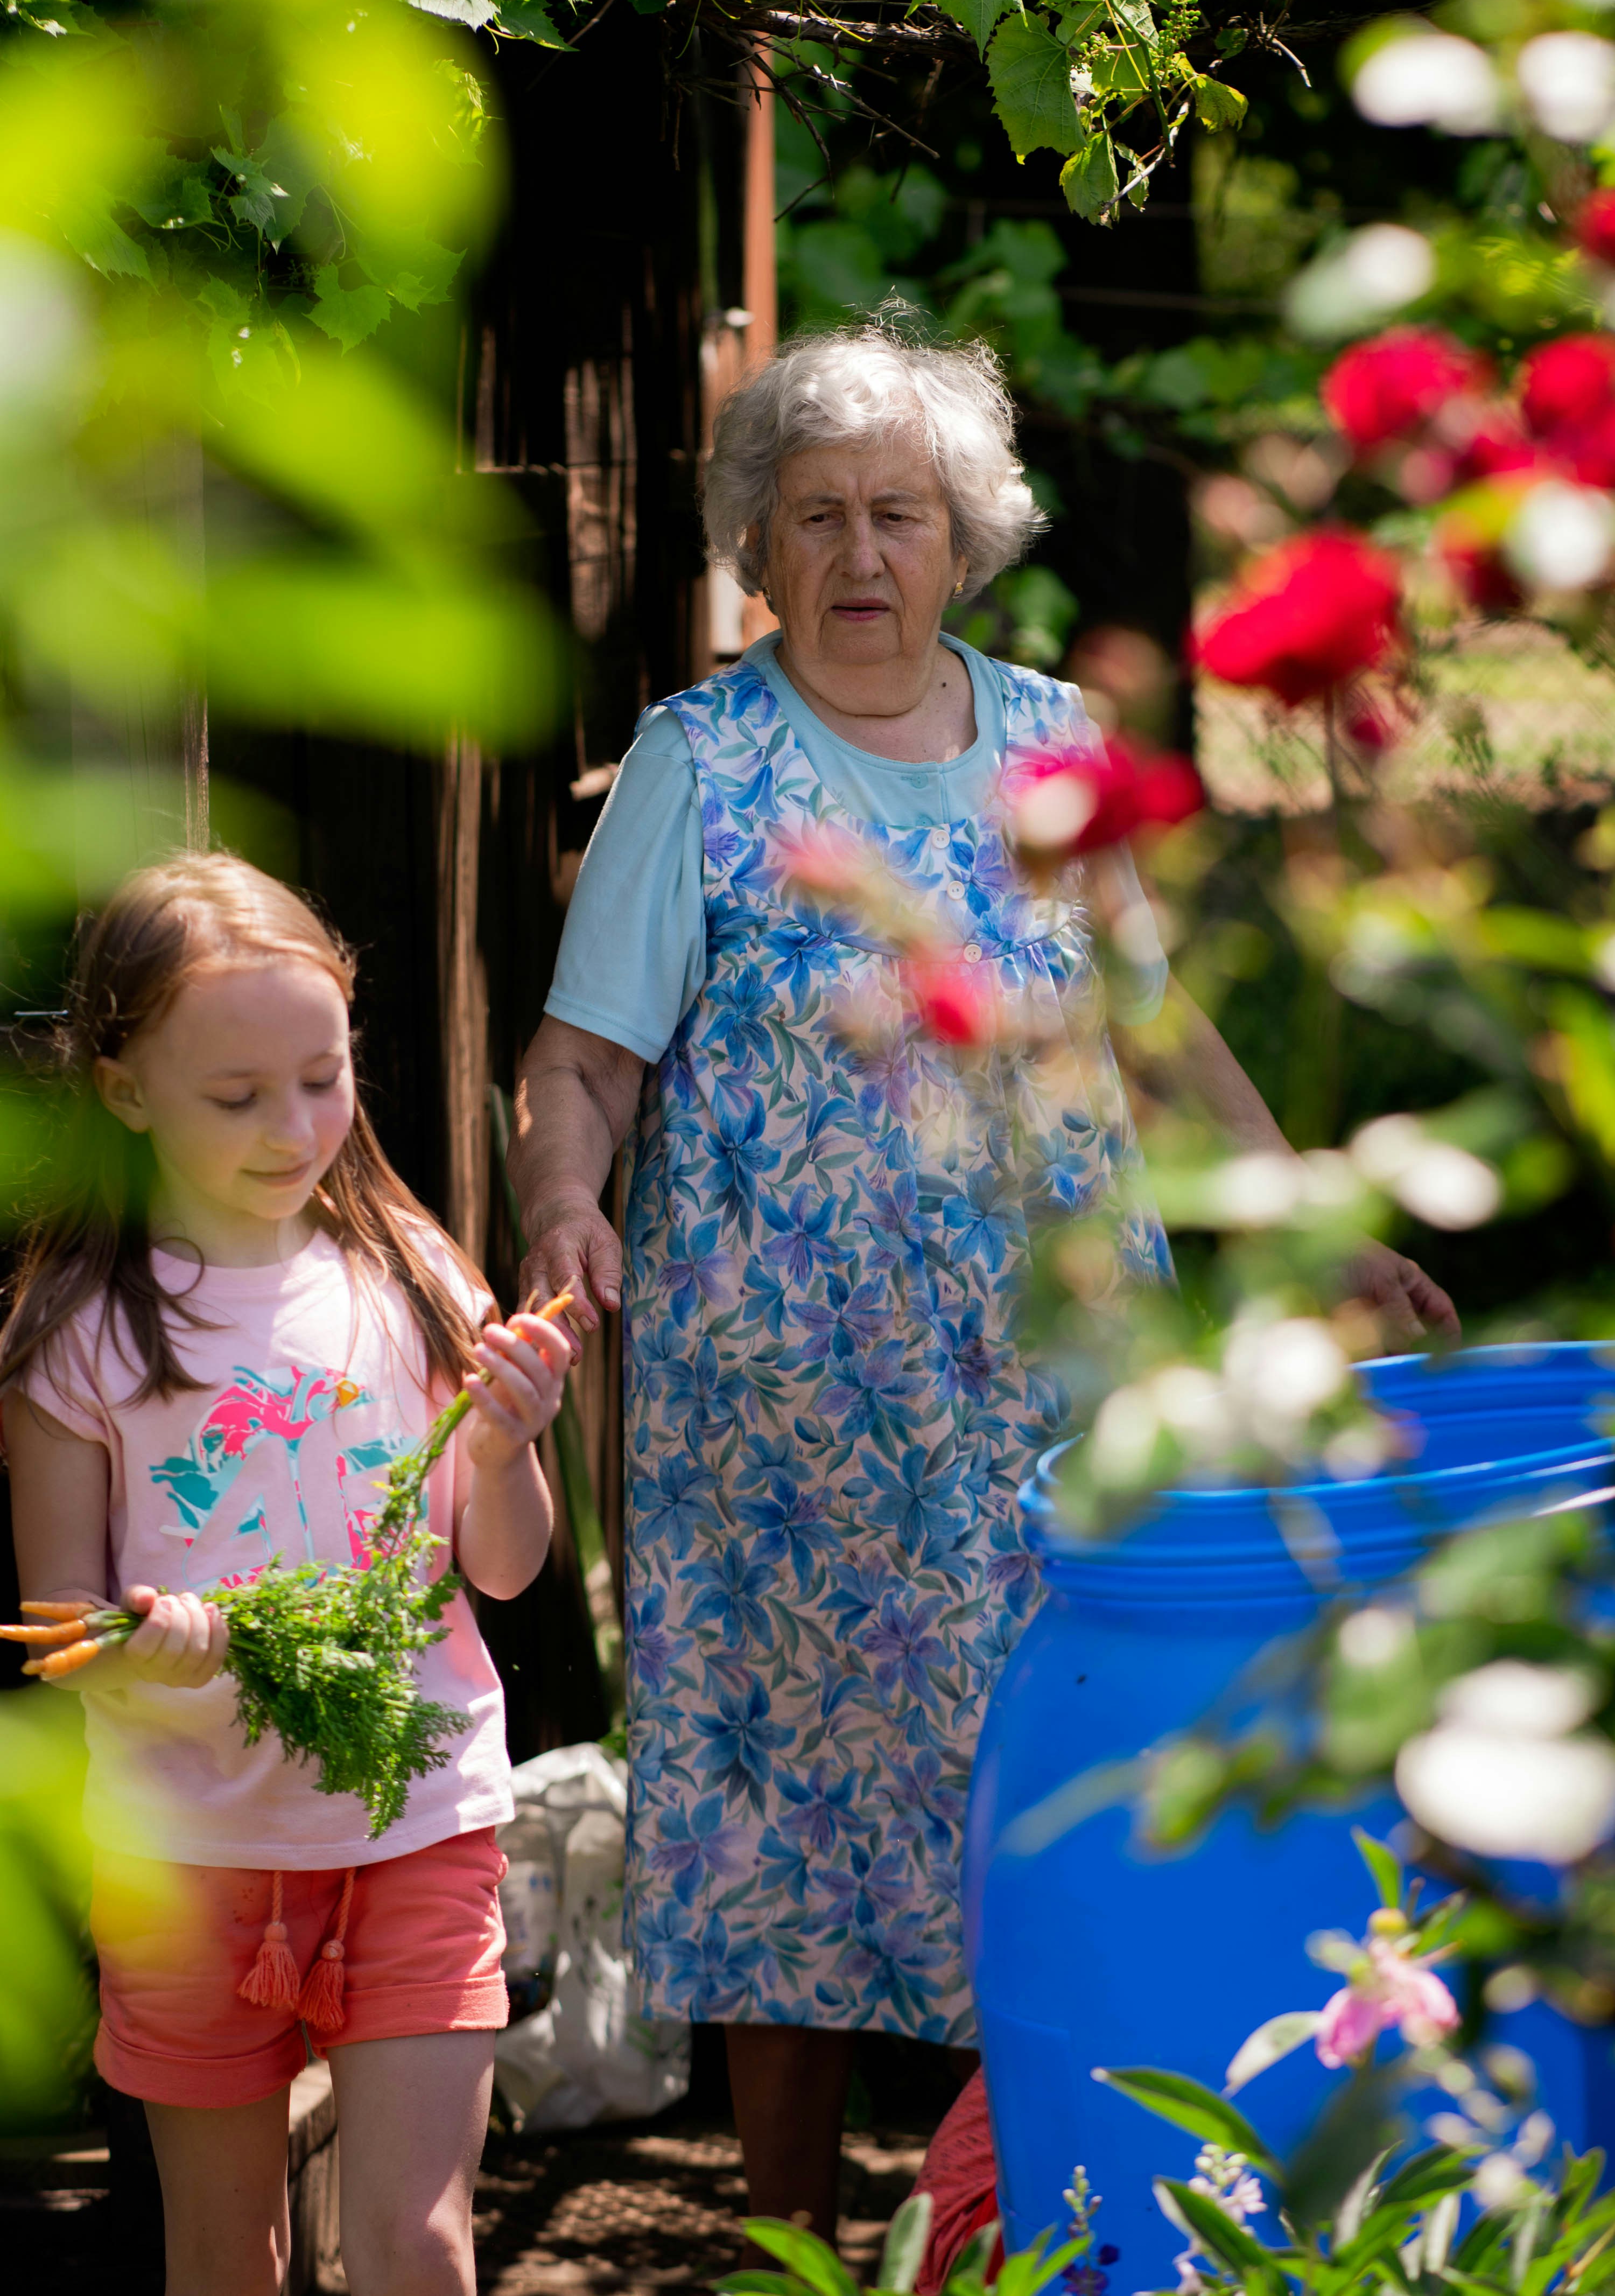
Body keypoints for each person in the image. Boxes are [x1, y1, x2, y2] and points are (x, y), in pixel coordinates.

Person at [507, 325, 1456, 2239]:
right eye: (821, 516)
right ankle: (789, 2249)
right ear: (759, 548)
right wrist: (561, 1208)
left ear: (966, 539)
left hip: (1057, 1393)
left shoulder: (1052, 743)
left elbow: (1150, 1016)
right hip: (784, 1429)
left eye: (903, 514)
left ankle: (1029, 2235)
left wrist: (1307, 1218)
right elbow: (584, 1061)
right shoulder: (700, 763)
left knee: (1057, 1797)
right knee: (792, 1847)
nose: (863, 551)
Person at [2, 853, 573, 2296]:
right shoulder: (75, 1335)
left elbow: (500, 1571)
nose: (295, 1128)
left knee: (416, 2246)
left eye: (322, 1079)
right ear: (125, 1088)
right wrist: (161, 1637)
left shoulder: (415, 1277)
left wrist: (505, 1444)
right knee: (224, 2256)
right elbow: (59, 1625)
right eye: (237, 1096)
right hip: (184, 1855)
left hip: (417, 1819)